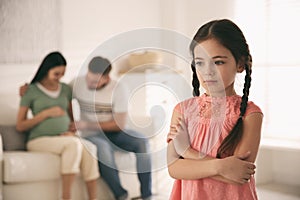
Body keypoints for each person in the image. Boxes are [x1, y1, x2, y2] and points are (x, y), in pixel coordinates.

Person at [166, 19, 263, 200]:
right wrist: (221, 167)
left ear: (240, 64)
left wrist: (188, 153)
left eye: (218, 62)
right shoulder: (182, 110)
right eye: (200, 63)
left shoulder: (251, 114)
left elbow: (239, 175)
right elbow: (174, 168)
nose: (207, 71)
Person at [16, 51, 100, 200]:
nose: (60, 77)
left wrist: (72, 132)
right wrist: (45, 114)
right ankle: (65, 197)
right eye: (56, 74)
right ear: (46, 70)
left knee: (90, 148)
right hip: (39, 140)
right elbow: (20, 125)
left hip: (64, 139)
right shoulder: (31, 91)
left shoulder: (66, 89)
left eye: (62, 74)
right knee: (73, 145)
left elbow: (71, 121)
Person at [69, 56, 152, 200]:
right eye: (89, 78)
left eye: (95, 81)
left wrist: (85, 124)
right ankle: (121, 195)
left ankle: (147, 195)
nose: (90, 83)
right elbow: (60, 95)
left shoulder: (119, 89)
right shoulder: (77, 83)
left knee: (142, 142)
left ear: (106, 78)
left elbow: (119, 125)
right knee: (103, 148)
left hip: (115, 133)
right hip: (91, 135)